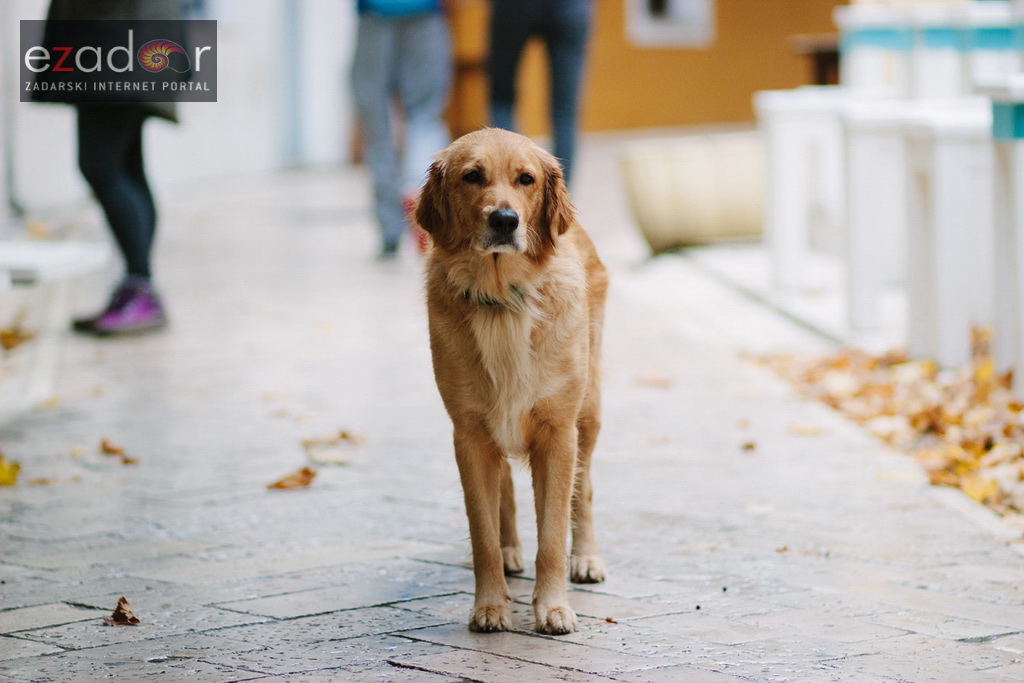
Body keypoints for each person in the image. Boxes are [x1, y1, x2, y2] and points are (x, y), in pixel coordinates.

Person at [39, 0, 180, 335]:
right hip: (132, 35)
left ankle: (141, 290)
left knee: (99, 165)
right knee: (127, 167)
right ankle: (139, 289)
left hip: (117, 38)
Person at [351, 0, 452, 260]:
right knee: (424, 115)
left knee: (376, 122)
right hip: (425, 12)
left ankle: (389, 230)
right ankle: (417, 188)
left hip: (374, 13)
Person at [488, 0, 594, 185]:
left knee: (501, 100)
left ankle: (509, 193)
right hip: (570, 6)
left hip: (513, 7)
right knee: (565, 110)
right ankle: (560, 203)